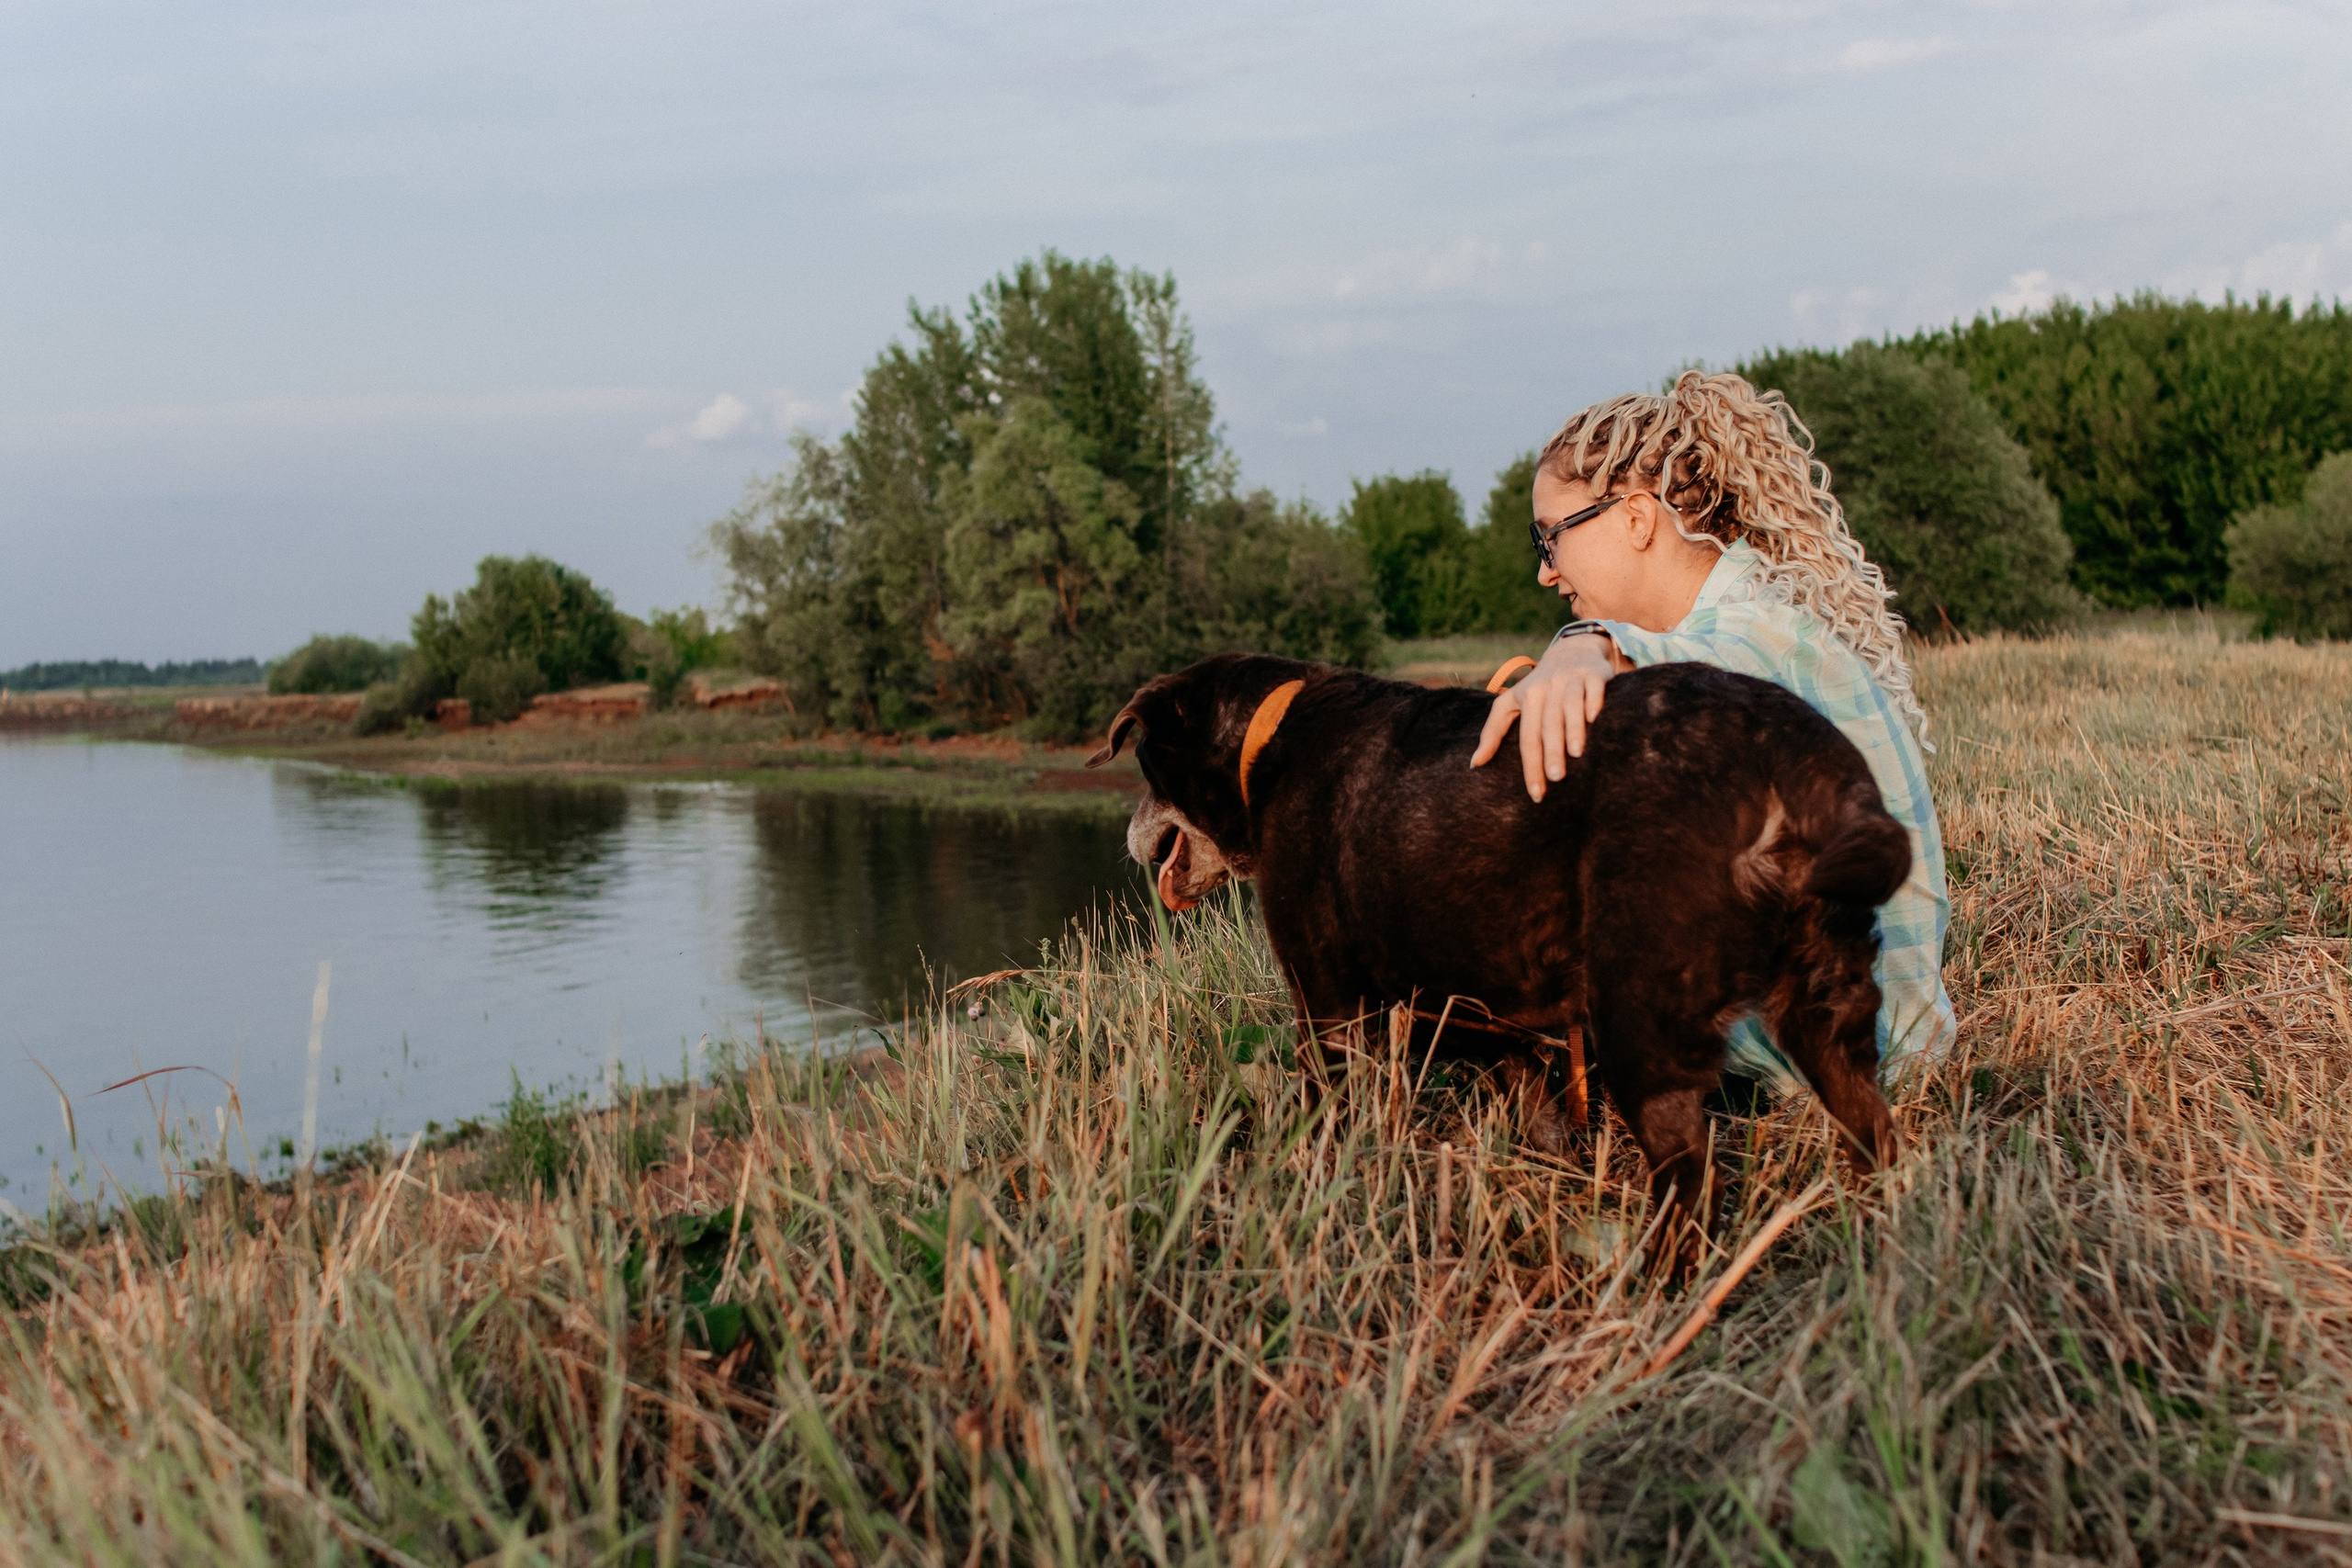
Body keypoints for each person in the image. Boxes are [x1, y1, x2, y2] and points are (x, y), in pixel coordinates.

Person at [1470, 369, 1956, 1094]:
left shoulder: (1750, 632)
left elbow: (1704, 672)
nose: (1547, 573)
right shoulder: (1757, 613)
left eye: (1551, 540)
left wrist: (1585, 643)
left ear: (1636, 518)